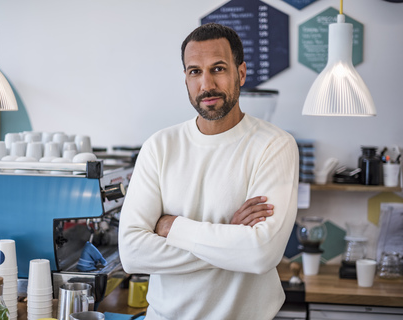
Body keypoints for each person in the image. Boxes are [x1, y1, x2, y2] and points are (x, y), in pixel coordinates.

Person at [118, 23, 299, 320]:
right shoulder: (160, 146)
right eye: (195, 72)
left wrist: (172, 227)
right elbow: (133, 252)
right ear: (186, 79)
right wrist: (231, 238)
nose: (206, 85)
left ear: (240, 73)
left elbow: (260, 254)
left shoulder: (275, 145)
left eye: (218, 69)